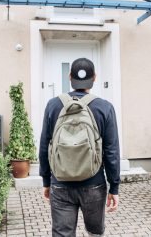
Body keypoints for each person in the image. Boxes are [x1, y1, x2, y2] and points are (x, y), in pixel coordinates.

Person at [39, 57, 120, 237]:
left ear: (70, 77)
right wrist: (114, 187)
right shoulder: (105, 107)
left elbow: (45, 145)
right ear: (95, 77)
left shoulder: (53, 106)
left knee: (62, 234)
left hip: (60, 184)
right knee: (94, 233)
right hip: (94, 184)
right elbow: (111, 150)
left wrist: (46, 180)